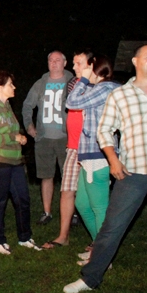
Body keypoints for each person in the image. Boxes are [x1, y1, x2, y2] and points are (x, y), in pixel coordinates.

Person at [64, 44, 147, 293]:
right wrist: (112, 159)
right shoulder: (120, 95)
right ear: (136, 61)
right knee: (112, 227)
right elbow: (104, 131)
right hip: (133, 171)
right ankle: (90, 278)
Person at [64, 55, 120, 264]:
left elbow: (72, 102)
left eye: (80, 65)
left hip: (99, 155)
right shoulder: (98, 89)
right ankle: (100, 248)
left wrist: (85, 79)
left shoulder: (105, 89)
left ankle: (104, 257)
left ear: (94, 68)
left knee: (98, 207)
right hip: (87, 154)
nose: (74, 67)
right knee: (82, 203)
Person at [0, 71, 41, 255]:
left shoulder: (7, 108)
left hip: (14, 161)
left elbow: (8, 131)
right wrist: (13, 137)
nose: (14, 87)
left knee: (23, 199)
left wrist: (19, 137)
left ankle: (25, 237)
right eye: (10, 84)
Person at [42, 50, 93, 249]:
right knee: (67, 191)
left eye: (78, 63)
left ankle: (100, 240)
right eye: (73, 63)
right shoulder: (74, 83)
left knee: (92, 195)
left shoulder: (98, 86)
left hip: (91, 147)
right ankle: (63, 236)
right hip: (72, 146)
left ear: (90, 65)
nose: (74, 67)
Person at [22, 51, 74, 225]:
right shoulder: (41, 83)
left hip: (66, 138)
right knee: (46, 175)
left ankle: (73, 213)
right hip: (44, 138)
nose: (54, 63)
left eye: (58, 60)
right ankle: (47, 212)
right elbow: (27, 105)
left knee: (70, 176)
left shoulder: (72, 82)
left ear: (65, 63)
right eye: (51, 60)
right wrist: (29, 126)